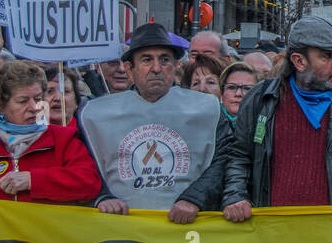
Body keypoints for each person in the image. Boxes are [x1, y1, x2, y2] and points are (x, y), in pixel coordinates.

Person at [221, 16, 332, 219]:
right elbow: (239, 157)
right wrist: (235, 197)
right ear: (299, 61)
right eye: (327, 56)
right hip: (273, 232)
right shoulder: (260, 98)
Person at [76, 23, 230, 220]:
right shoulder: (95, 114)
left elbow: (224, 159)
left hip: (189, 225)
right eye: (147, 60)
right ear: (130, 69)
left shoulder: (208, 108)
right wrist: (102, 197)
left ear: (176, 66)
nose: (156, 68)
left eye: (164, 60)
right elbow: (84, 164)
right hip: (120, 227)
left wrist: (195, 198)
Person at [0, 62, 101, 203]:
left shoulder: (64, 139)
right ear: (0, 105)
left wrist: (33, 180)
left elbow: (89, 183)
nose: (34, 107)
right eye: (23, 101)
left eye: (38, 99)